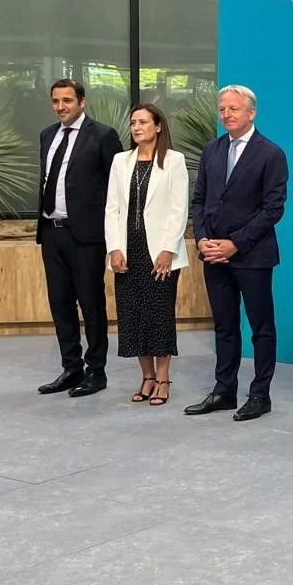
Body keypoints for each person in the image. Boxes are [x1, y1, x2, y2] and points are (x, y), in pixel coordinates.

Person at [184, 85, 288, 422]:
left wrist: (235, 243)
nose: (226, 114)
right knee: (224, 327)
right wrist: (202, 239)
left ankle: (260, 395)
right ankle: (224, 391)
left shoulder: (271, 154)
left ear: (251, 112)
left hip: (252, 256)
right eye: (223, 109)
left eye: (234, 108)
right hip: (213, 255)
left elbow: (273, 209)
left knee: (261, 327)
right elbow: (199, 200)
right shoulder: (211, 150)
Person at [36, 79, 123, 398]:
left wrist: (115, 236)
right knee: (60, 303)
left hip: (86, 236)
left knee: (91, 303)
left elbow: (117, 187)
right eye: (56, 101)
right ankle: (71, 368)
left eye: (67, 100)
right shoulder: (47, 135)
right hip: (51, 232)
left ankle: (96, 371)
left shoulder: (103, 135)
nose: (61, 107)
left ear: (82, 102)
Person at [105, 104, 190, 407]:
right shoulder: (121, 161)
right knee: (133, 315)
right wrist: (114, 248)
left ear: (158, 126)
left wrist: (168, 250)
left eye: (143, 122)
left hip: (160, 253)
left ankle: (163, 379)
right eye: (133, 123)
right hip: (128, 250)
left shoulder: (174, 160)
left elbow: (179, 209)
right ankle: (147, 377)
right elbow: (112, 208)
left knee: (158, 315)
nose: (137, 127)